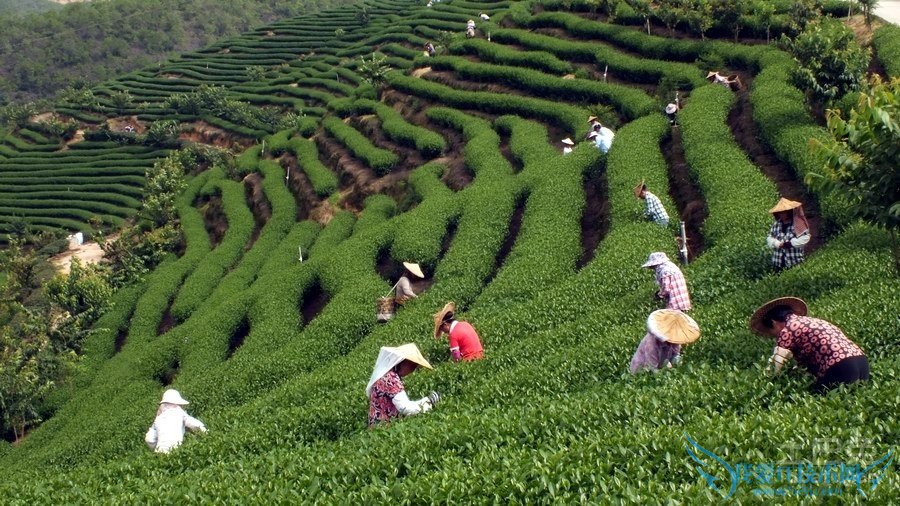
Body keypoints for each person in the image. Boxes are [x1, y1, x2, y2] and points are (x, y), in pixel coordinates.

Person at [750, 297, 868, 393]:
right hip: (861, 362)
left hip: (840, 365)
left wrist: (764, 383)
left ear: (774, 322)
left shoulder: (787, 330)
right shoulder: (813, 321)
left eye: (772, 332)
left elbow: (777, 364)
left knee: (823, 399)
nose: (775, 337)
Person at [366, 343, 441, 427]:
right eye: (411, 366)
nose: (412, 370)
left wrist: (425, 401)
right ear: (402, 362)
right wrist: (428, 403)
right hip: (384, 428)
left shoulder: (388, 375)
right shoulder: (390, 379)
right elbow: (405, 408)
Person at [630, 309, 700, 373]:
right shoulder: (651, 343)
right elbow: (651, 366)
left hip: (660, 364)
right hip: (642, 368)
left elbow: (675, 354)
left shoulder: (675, 339)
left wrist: (677, 362)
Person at [145, 389, 207, 454]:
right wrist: (206, 433)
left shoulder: (158, 418)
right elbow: (194, 424)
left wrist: (158, 447)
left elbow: (149, 439)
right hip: (175, 452)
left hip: (159, 454)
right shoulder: (179, 413)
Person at [766, 198, 810, 272]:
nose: (781, 214)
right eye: (780, 213)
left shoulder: (798, 224)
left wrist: (790, 243)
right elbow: (769, 237)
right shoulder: (776, 224)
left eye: (784, 212)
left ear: (789, 212)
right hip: (778, 261)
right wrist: (776, 243)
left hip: (794, 261)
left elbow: (806, 237)